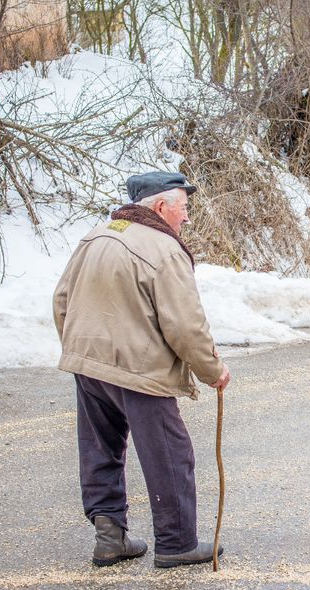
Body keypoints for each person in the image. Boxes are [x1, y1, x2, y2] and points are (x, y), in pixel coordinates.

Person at [53, 171, 231, 568]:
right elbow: (185, 325)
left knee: (101, 449)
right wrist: (211, 370)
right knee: (170, 454)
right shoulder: (164, 249)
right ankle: (178, 544)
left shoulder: (96, 236)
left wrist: (79, 347)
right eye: (183, 208)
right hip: (138, 369)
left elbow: (61, 299)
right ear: (162, 206)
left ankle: (110, 538)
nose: (186, 218)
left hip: (88, 363)